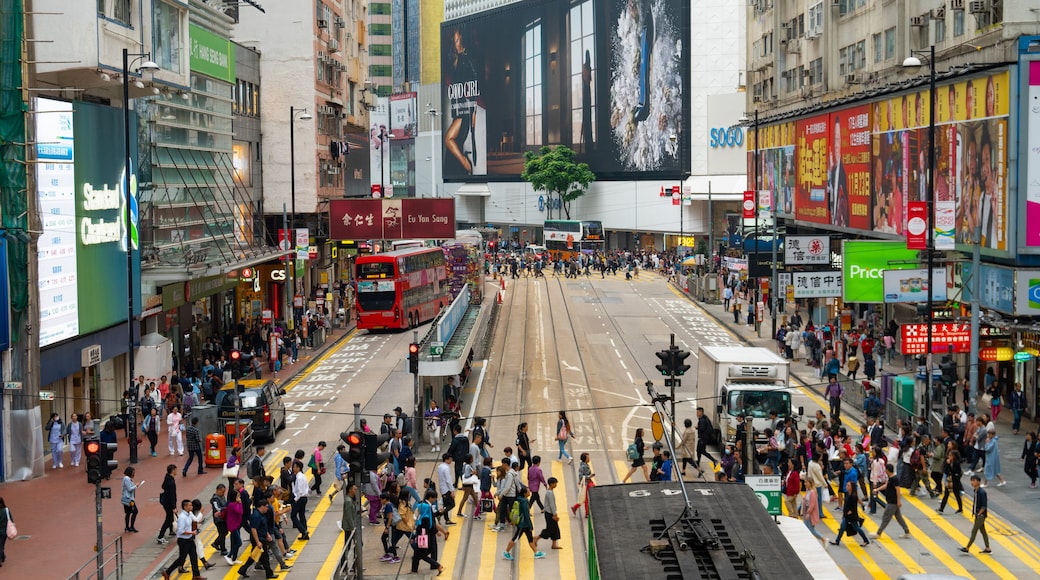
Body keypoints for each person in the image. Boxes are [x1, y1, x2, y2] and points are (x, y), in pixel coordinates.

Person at [160, 499, 200, 580]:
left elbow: (195, 520)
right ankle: (167, 572)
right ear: (185, 507)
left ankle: (196, 575)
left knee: (194, 557)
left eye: (191, 505)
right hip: (183, 541)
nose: (191, 506)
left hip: (189, 540)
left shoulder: (189, 514)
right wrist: (192, 533)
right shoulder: (182, 517)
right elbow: (180, 531)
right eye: (189, 505)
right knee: (181, 560)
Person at [503, 487, 546, 560]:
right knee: (515, 538)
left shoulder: (522, 500)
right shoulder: (524, 502)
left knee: (530, 538)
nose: (530, 492)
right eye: (528, 491)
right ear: (525, 493)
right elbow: (526, 514)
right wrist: (530, 525)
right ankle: (506, 552)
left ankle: (536, 552)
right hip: (522, 524)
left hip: (524, 524)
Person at [238, 498, 277, 579]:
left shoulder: (261, 514)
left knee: (254, 556)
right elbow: (254, 529)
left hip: (262, 537)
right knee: (264, 557)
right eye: (266, 507)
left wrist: (267, 534)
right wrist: (258, 541)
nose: (267, 508)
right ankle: (269, 573)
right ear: (261, 506)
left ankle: (243, 569)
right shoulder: (256, 516)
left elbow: (263, 526)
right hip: (258, 539)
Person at [873, 464, 911, 539]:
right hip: (892, 501)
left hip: (892, 502)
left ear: (887, 470)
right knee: (899, 517)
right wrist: (877, 489)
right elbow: (886, 485)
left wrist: (898, 501)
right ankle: (906, 531)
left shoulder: (894, 479)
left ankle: (878, 533)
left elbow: (898, 490)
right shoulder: (891, 478)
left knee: (886, 517)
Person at [829, 480, 870, 547]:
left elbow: (854, 507)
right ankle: (837, 541)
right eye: (847, 485)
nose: (846, 486)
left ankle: (865, 540)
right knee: (842, 528)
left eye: (848, 485)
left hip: (851, 516)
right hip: (846, 515)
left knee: (857, 528)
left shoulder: (853, 496)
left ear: (852, 487)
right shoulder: (849, 494)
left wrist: (849, 512)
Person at [960, 475, 992, 555]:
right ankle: (987, 548)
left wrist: (979, 514)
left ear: (978, 482)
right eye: (971, 481)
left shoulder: (982, 492)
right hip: (977, 515)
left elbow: (984, 506)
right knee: (983, 531)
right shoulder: (976, 491)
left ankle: (967, 547)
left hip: (980, 516)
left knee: (974, 531)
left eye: (974, 481)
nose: (972, 482)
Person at [536, 477, 562, 551]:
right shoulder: (550, 493)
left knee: (555, 529)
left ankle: (554, 544)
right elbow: (552, 504)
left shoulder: (549, 491)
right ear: (551, 484)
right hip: (550, 514)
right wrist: (555, 514)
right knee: (550, 529)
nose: (556, 485)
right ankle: (537, 538)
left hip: (549, 513)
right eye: (555, 483)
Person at [224, 483, 245, 566]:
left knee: (235, 541)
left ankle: (234, 558)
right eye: (238, 496)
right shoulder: (232, 505)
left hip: (236, 525)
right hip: (233, 526)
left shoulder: (233, 504)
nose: (239, 498)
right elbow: (240, 512)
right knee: (239, 542)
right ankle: (229, 555)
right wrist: (240, 503)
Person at [157, 464, 178, 544]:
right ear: (173, 470)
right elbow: (172, 495)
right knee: (168, 519)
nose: (176, 471)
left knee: (170, 518)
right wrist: (174, 507)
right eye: (176, 470)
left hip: (165, 502)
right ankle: (160, 536)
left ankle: (171, 531)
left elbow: (163, 486)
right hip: (169, 504)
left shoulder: (167, 478)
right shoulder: (171, 482)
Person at [290, 460, 310, 540]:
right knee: (302, 515)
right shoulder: (303, 476)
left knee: (293, 516)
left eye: (294, 467)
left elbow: (300, 491)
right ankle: (305, 533)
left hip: (300, 498)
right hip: (304, 497)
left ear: (298, 468)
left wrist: (296, 499)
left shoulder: (299, 477)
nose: (293, 469)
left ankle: (303, 531)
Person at [570, 453, 594, 518]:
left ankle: (575, 507)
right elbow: (581, 477)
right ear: (585, 459)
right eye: (588, 458)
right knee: (586, 499)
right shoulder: (583, 467)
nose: (589, 458)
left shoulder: (586, 465)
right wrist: (589, 476)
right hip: (586, 484)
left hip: (588, 483)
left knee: (585, 498)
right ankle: (587, 513)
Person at [695, 408, 718, 474]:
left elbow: (702, 429)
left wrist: (697, 427)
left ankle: (713, 460)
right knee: (699, 451)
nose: (696, 413)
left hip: (703, 438)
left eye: (698, 412)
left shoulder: (702, 420)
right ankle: (698, 462)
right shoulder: (705, 418)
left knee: (702, 451)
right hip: (705, 438)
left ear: (701, 412)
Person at [209, 484, 229, 556]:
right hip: (219, 520)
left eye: (224, 492)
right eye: (222, 492)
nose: (223, 493)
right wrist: (225, 508)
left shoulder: (222, 497)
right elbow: (217, 508)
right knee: (222, 534)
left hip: (223, 518)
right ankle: (223, 550)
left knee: (225, 532)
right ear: (217, 490)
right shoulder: (215, 499)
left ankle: (216, 543)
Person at [122, 466, 142, 533]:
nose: (134, 474)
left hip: (127, 498)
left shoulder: (128, 479)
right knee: (135, 511)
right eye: (133, 472)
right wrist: (136, 485)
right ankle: (131, 526)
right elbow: (130, 488)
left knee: (128, 513)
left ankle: (127, 527)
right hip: (128, 499)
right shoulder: (127, 479)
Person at [0, 498, 11, 566]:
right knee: (1, 545)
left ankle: (2, 557)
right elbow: (11, 519)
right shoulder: (6, 510)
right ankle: (2, 556)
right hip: (4, 531)